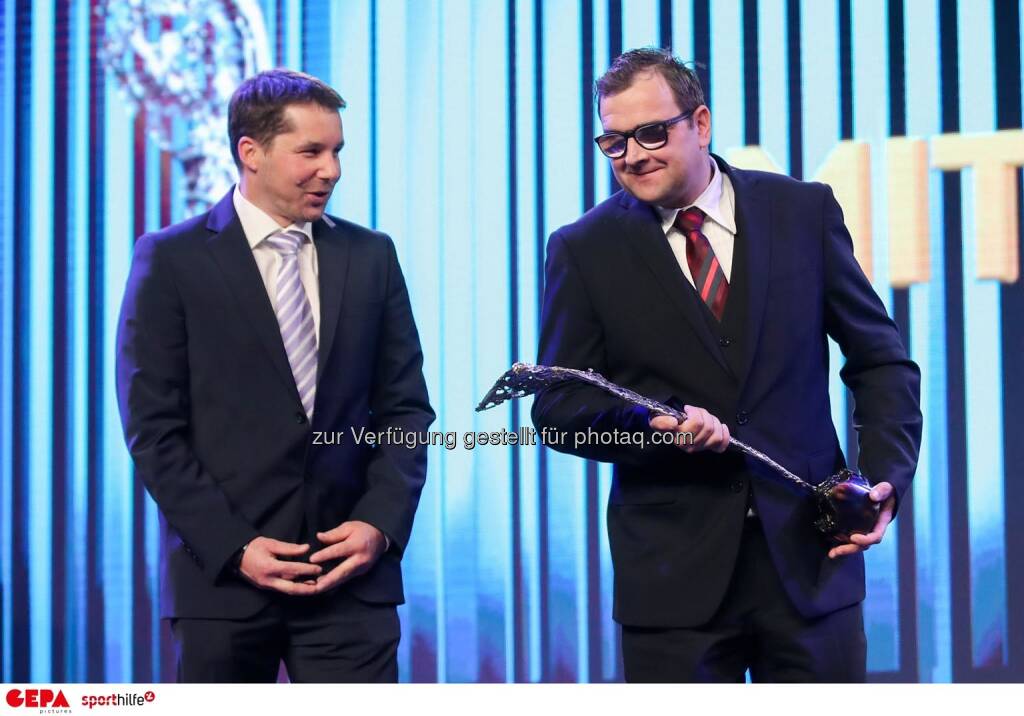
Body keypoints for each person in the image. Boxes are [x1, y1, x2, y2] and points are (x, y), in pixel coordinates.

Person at [531, 48, 921, 682]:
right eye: (613, 141)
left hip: (811, 561)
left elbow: (881, 361)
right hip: (671, 584)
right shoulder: (582, 249)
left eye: (651, 133)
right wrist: (645, 427)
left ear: (702, 122)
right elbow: (558, 411)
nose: (632, 155)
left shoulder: (802, 211)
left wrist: (882, 481)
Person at [116, 69, 434, 682]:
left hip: (351, 584)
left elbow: (405, 411)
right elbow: (153, 429)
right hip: (223, 588)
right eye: (311, 151)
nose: (332, 170)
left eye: (337, 150)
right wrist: (234, 546)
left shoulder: (371, 256)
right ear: (251, 152)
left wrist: (379, 524)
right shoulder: (171, 259)